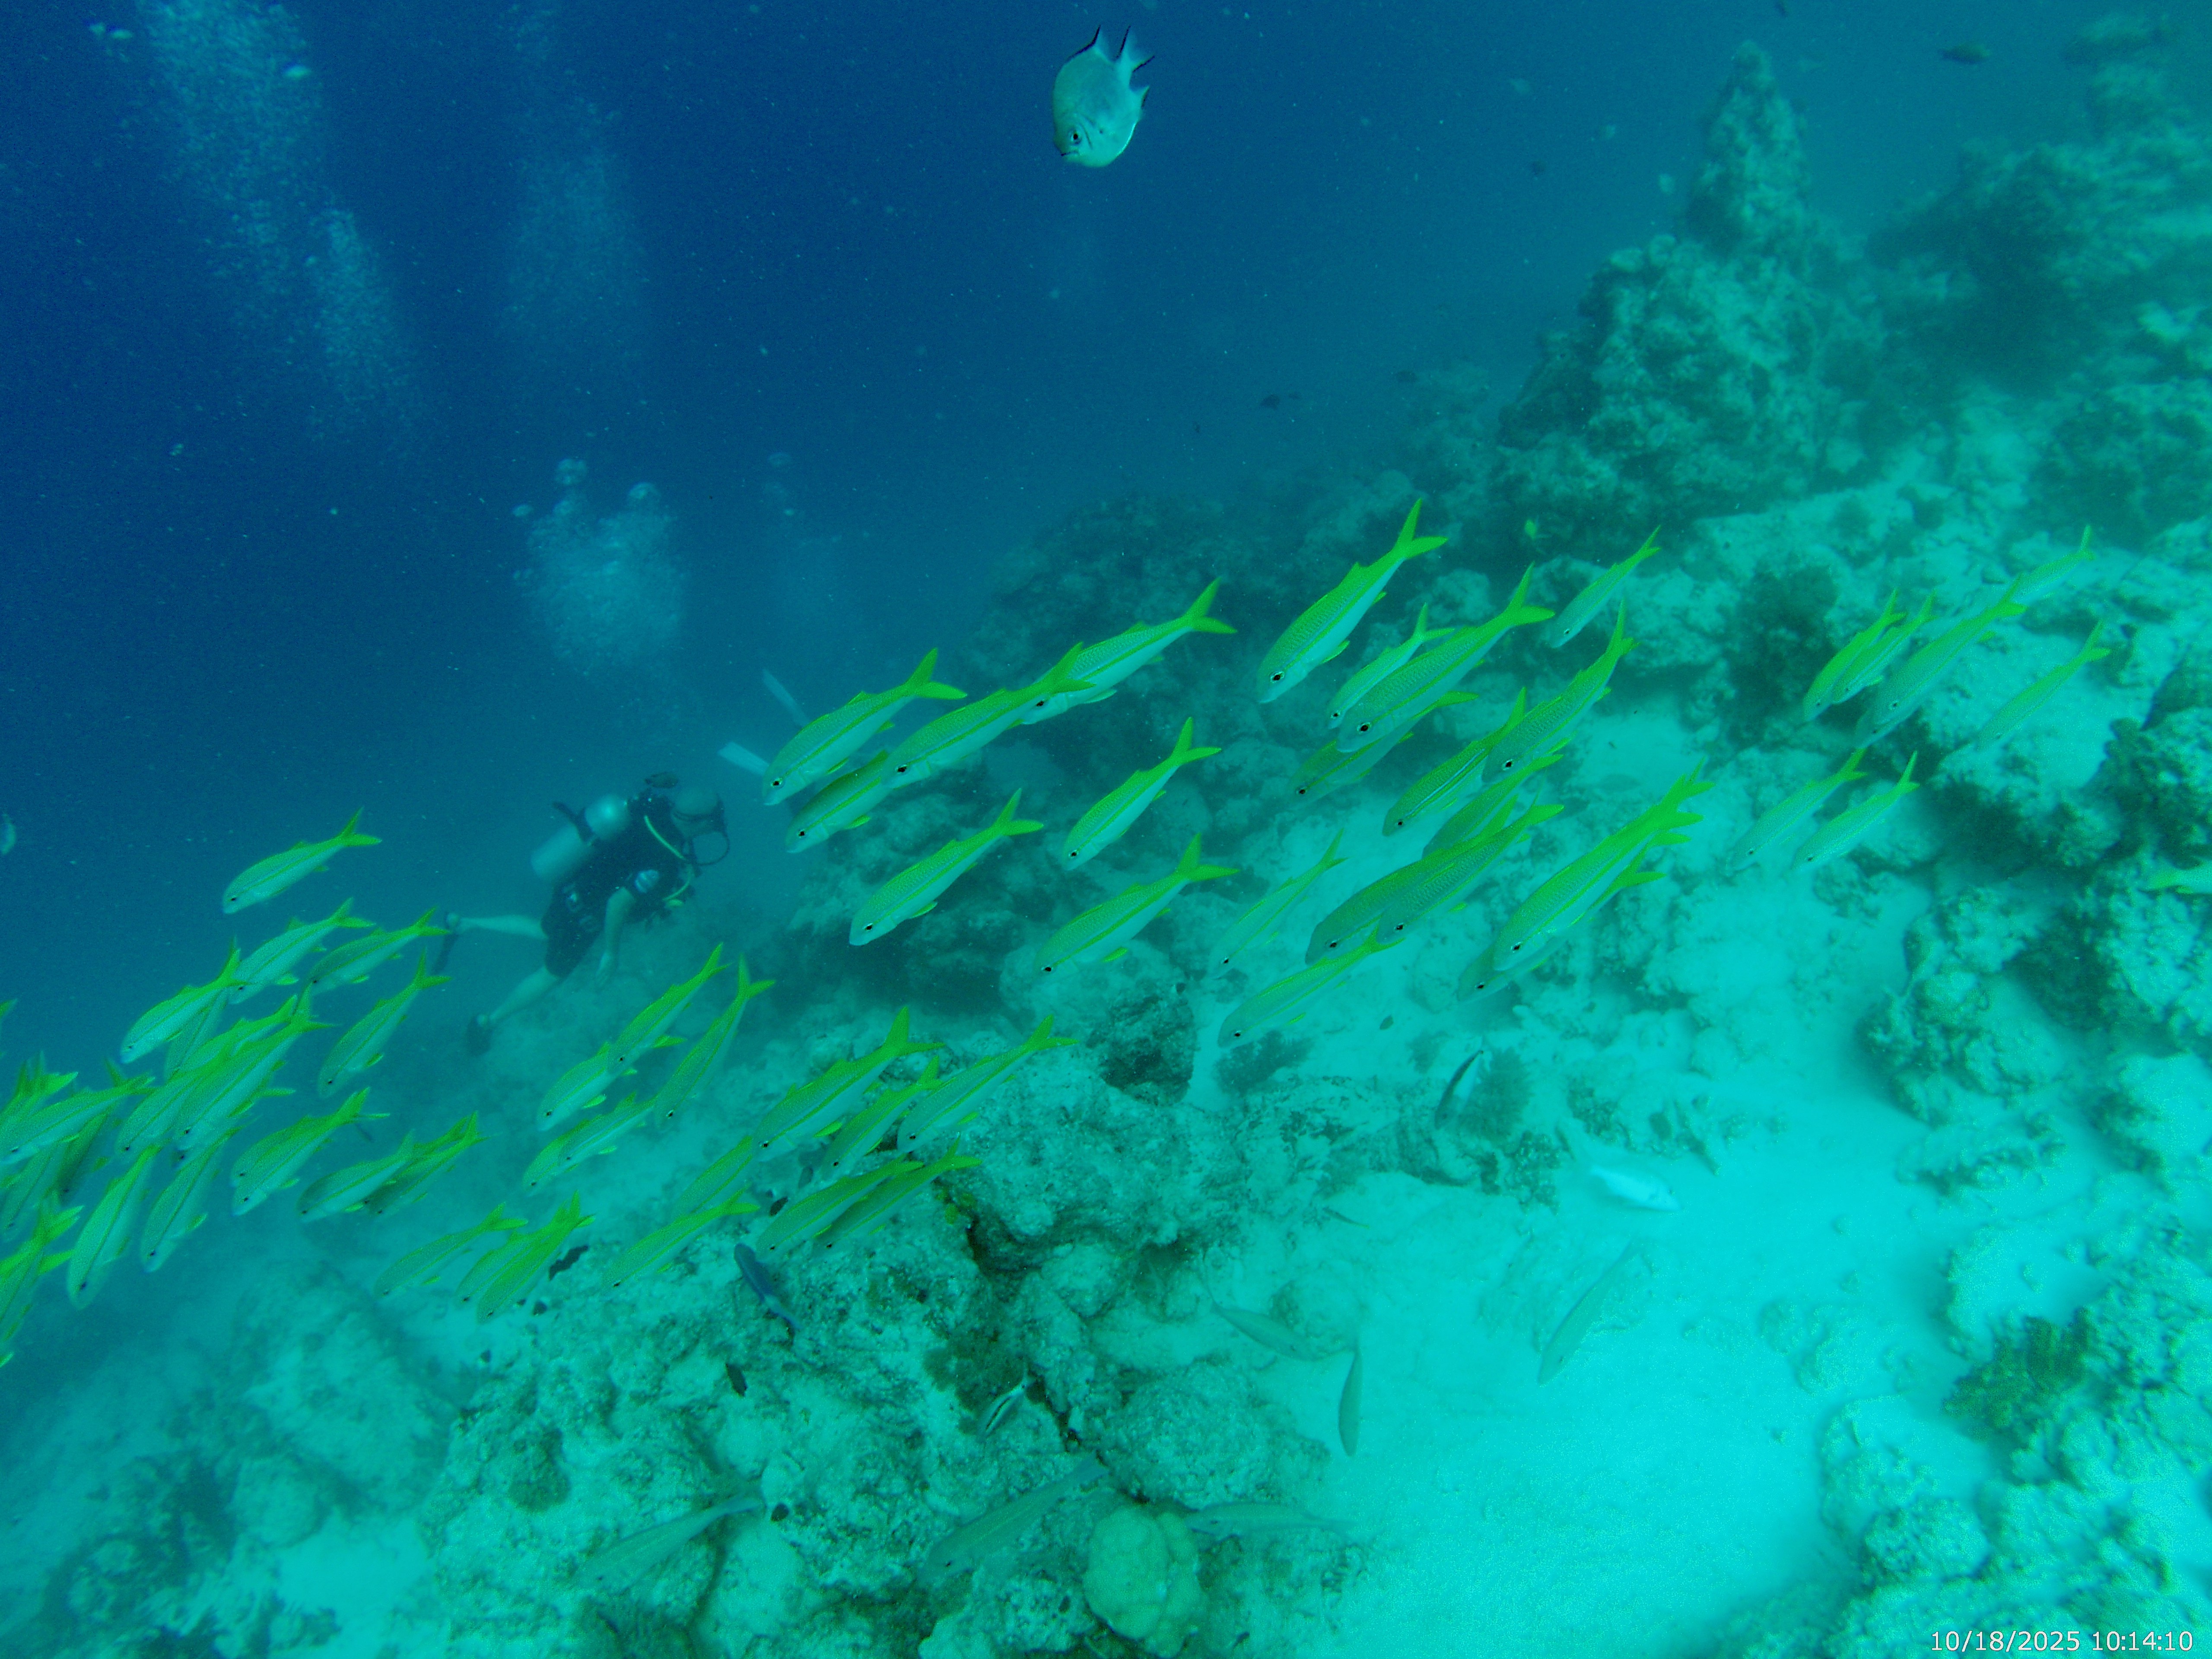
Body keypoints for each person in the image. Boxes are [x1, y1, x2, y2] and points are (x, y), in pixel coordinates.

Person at [456, 780, 726, 1053]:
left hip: (571, 888)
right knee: (552, 975)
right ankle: (489, 1021)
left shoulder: (654, 813)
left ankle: (469, 923)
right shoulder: (663, 859)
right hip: (585, 916)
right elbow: (617, 905)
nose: (717, 823)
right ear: (696, 821)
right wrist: (611, 954)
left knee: (543, 930)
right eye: (714, 818)